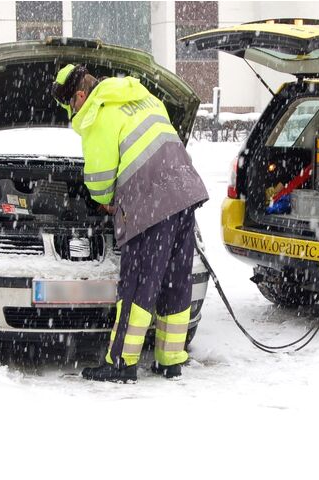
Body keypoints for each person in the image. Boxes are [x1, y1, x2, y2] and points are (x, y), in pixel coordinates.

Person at [52, 64, 209, 383]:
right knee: (175, 280)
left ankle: (121, 363)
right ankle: (170, 359)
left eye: (70, 106)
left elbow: (98, 180)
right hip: (183, 192)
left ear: (80, 96)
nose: (72, 113)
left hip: (151, 201)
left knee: (138, 283)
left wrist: (107, 201)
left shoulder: (98, 113)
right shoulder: (141, 96)